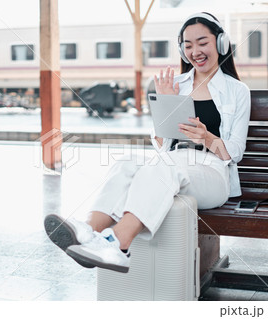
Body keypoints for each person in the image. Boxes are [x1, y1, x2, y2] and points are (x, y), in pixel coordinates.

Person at [44, 12, 251, 274]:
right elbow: (164, 145)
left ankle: (118, 243)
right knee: (127, 163)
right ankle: (89, 232)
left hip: (213, 173)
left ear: (220, 44)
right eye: (188, 46)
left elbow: (235, 152)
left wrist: (207, 137)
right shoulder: (176, 85)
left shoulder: (237, 91)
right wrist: (166, 104)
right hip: (174, 161)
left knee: (165, 167)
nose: (195, 51)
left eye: (202, 43)